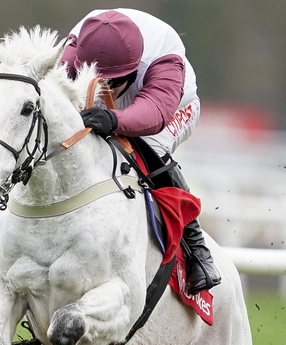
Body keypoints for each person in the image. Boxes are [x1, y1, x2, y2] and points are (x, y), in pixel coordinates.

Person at [61, 8, 221, 295]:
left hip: (172, 107)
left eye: (110, 84)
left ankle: (197, 250)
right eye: (98, 82)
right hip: (127, 96)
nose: (104, 92)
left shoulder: (164, 55)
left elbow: (155, 113)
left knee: (150, 149)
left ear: (132, 71)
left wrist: (114, 119)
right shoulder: (76, 48)